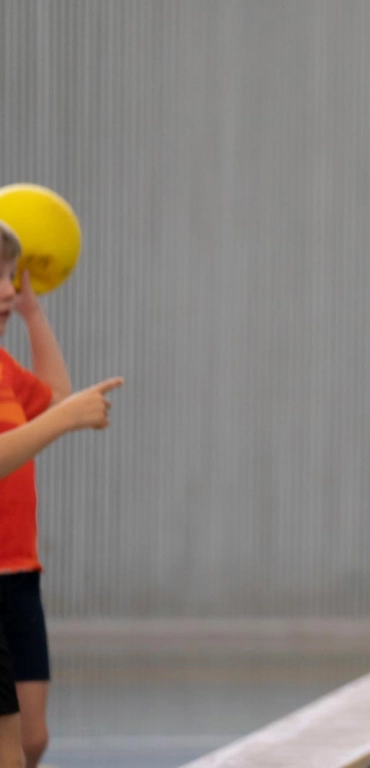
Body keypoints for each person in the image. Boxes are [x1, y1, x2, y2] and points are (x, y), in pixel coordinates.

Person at [0, 221, 122, 768]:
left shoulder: (4, 369)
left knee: (29, 741)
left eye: (11, 276)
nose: (8, 289)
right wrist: (66, 419)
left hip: (18, 572)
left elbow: (56, 398)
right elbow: (61, 413)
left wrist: (33, 313)